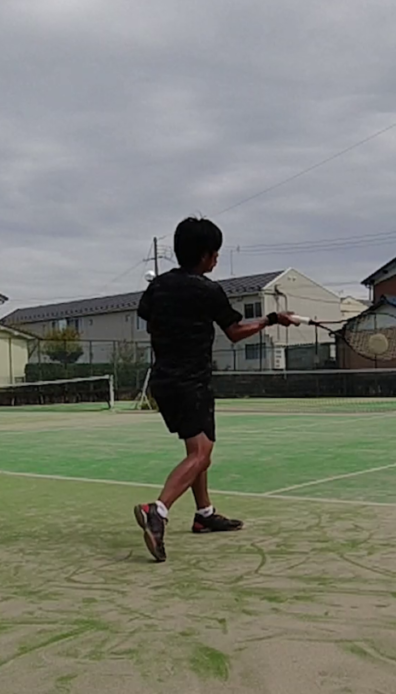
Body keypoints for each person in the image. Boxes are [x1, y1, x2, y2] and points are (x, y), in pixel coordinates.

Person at [133, 216, 297, 562]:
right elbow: (235, 331)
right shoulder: (208, 290)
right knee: (200, 455)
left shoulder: (158, 286)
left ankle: (204, 514)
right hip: (190, 382)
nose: (217, 259)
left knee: (199, 446)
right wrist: (270, 319)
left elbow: (149, 317)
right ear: (206, 255)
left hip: (163, 379)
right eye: (216, 253)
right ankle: (157, 511)